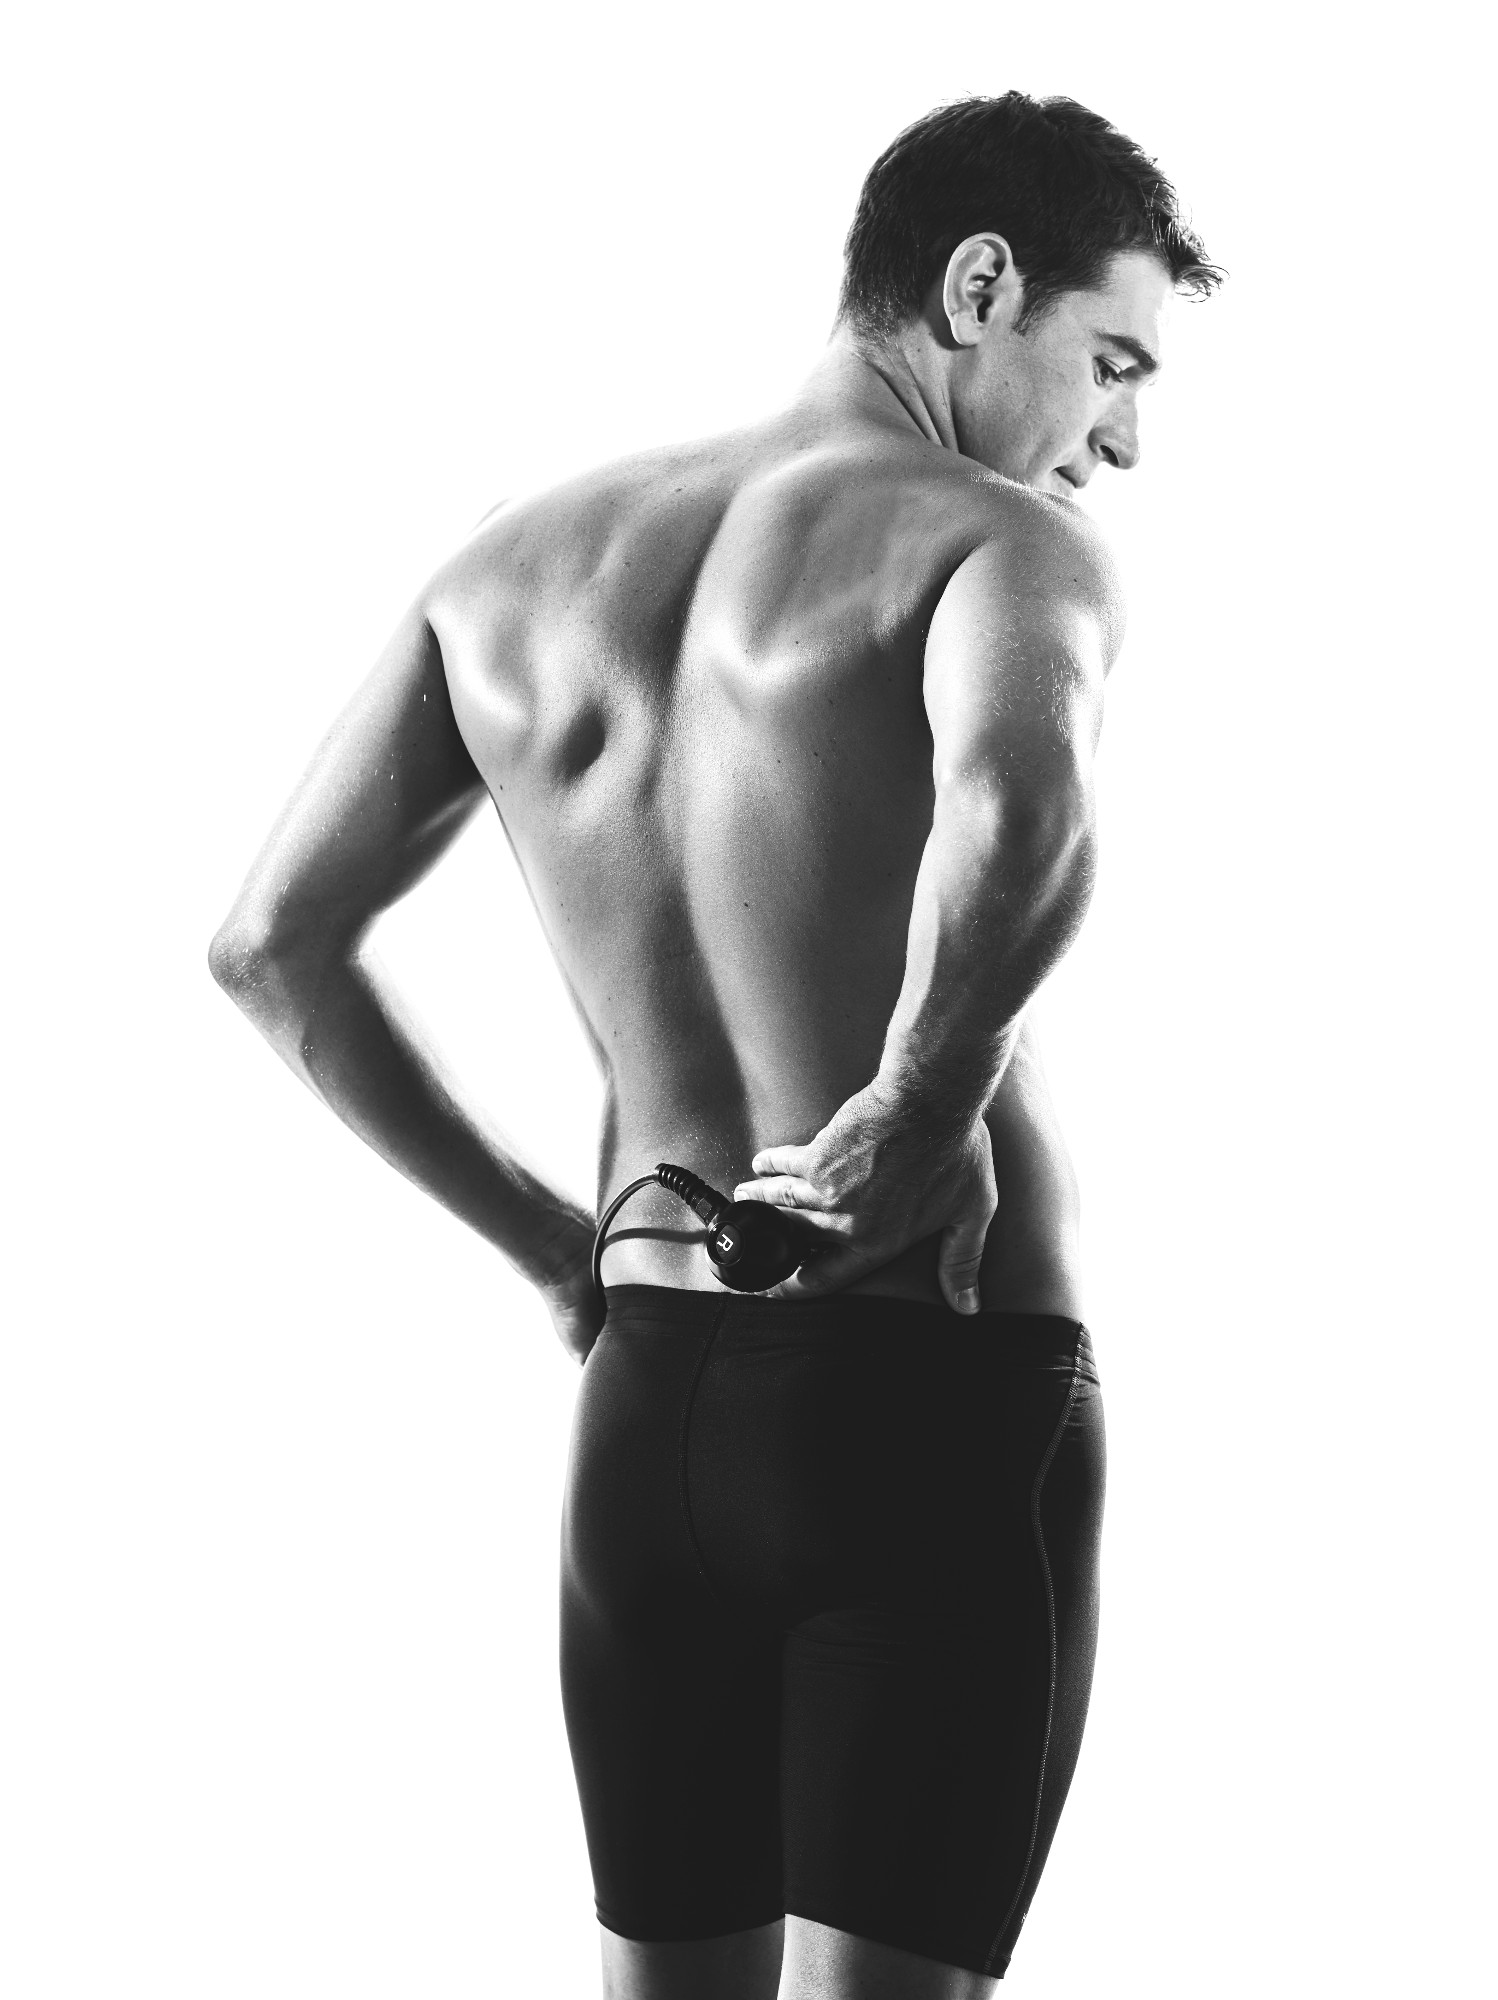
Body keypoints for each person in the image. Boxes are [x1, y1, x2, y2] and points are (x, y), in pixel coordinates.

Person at [211, 90, 1219, 1999]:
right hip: (926, 1390)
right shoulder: (997, 542)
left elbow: (272, 947)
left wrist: (551, 1249)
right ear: (977, 286)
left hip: (649, 1411)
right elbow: (1018, 813)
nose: (1121, 441)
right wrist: (908, 1107)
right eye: (1111, 362)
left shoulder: (514, 565)